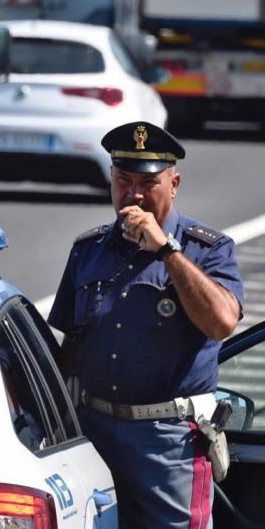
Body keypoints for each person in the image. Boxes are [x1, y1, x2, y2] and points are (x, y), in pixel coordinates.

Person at [48, 121, 243, 529]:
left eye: (147, 182)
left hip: (168, 441)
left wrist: (166, 250)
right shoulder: (88, 249)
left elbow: (222, 322)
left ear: (174, 183)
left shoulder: (206, 250)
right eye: (123, 180)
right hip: (94, 432)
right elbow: (68, 347)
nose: (133, 194)